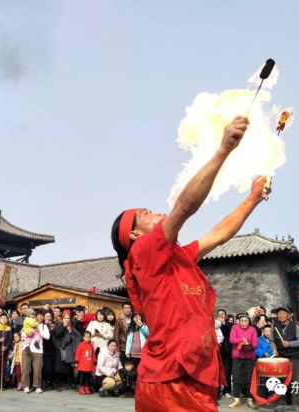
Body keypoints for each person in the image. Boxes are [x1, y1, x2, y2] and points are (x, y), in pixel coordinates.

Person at [111, 115, 270, 411]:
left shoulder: (178, 255)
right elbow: (184, 207)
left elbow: (219, 234)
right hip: (171, 379)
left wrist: (253, 197)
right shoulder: (142, 253)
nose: (156, 212)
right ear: (134, 234)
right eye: (146, 214)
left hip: (193, 372)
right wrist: (223, 150)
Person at [269, 306, 299, 411]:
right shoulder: (274, 326)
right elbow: (271, 340)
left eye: (283, 313)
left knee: (296, 381)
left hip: (295, 356)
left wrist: (289, 343)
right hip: (281, 356)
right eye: (279, 314)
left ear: (289, 315)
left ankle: (297, 404)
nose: (281, 315)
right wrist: (274, 349)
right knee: (280, 380)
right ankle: (280, 403)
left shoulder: (295, 326)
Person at [228, 313, 258, 408]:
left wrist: (249, 344)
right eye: (242, 321)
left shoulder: (252, 329)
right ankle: (236, 399)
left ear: (249, 322)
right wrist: (242, 340)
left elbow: (255, 344)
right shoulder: (235, 328)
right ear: (239, 322)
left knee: (249, 378)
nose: (244, 323)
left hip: (249, 356)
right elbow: (232, 340)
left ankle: (250, 399)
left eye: (246, 321)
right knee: (236, 377)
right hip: (238, 356)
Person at [20, 310, 50, 394]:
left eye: (42, 316)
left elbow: (47, 337)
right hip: (27, 350)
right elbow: (22, 335)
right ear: (35, 316)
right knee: (25, 369)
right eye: (39, 315)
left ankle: (37, 386)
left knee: (37, 369)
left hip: (38, 351)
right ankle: (25, 386)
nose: (40, 317)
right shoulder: (27, 323)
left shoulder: (43, 326)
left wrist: (39, 332)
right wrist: (28, 334)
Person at [0, 312, 12, 390]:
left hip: (5, 351)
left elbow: (10, 339)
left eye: (5, 318)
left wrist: (6, 346)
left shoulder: (9, 328)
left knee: (2, 368)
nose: (4, 320)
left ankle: (1, 383)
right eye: (2, 318)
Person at [217, 309, 233, 399]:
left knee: (227, 372)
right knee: (217, 372)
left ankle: (227, 390)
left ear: (226, 316)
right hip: (218, 351)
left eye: (223, 314)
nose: (221, 316)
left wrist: (224, 323)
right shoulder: (215, 325)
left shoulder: (229, 324)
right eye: (219, 314)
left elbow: (231, 330)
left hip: (227, 351)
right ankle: (217, 390)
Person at [74, 330, 96, 395]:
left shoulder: (91, 345)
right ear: (83, 337)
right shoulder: (81, 345)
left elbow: (93, 354)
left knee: (88, 376)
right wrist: (76, 361)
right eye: (86, 337)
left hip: (89, 363)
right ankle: (81, 387)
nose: (87, 338)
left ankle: (86, 387)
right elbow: (78, 353)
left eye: (89, 337)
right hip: (82, 363)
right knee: (82, 376)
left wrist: (94, 362)